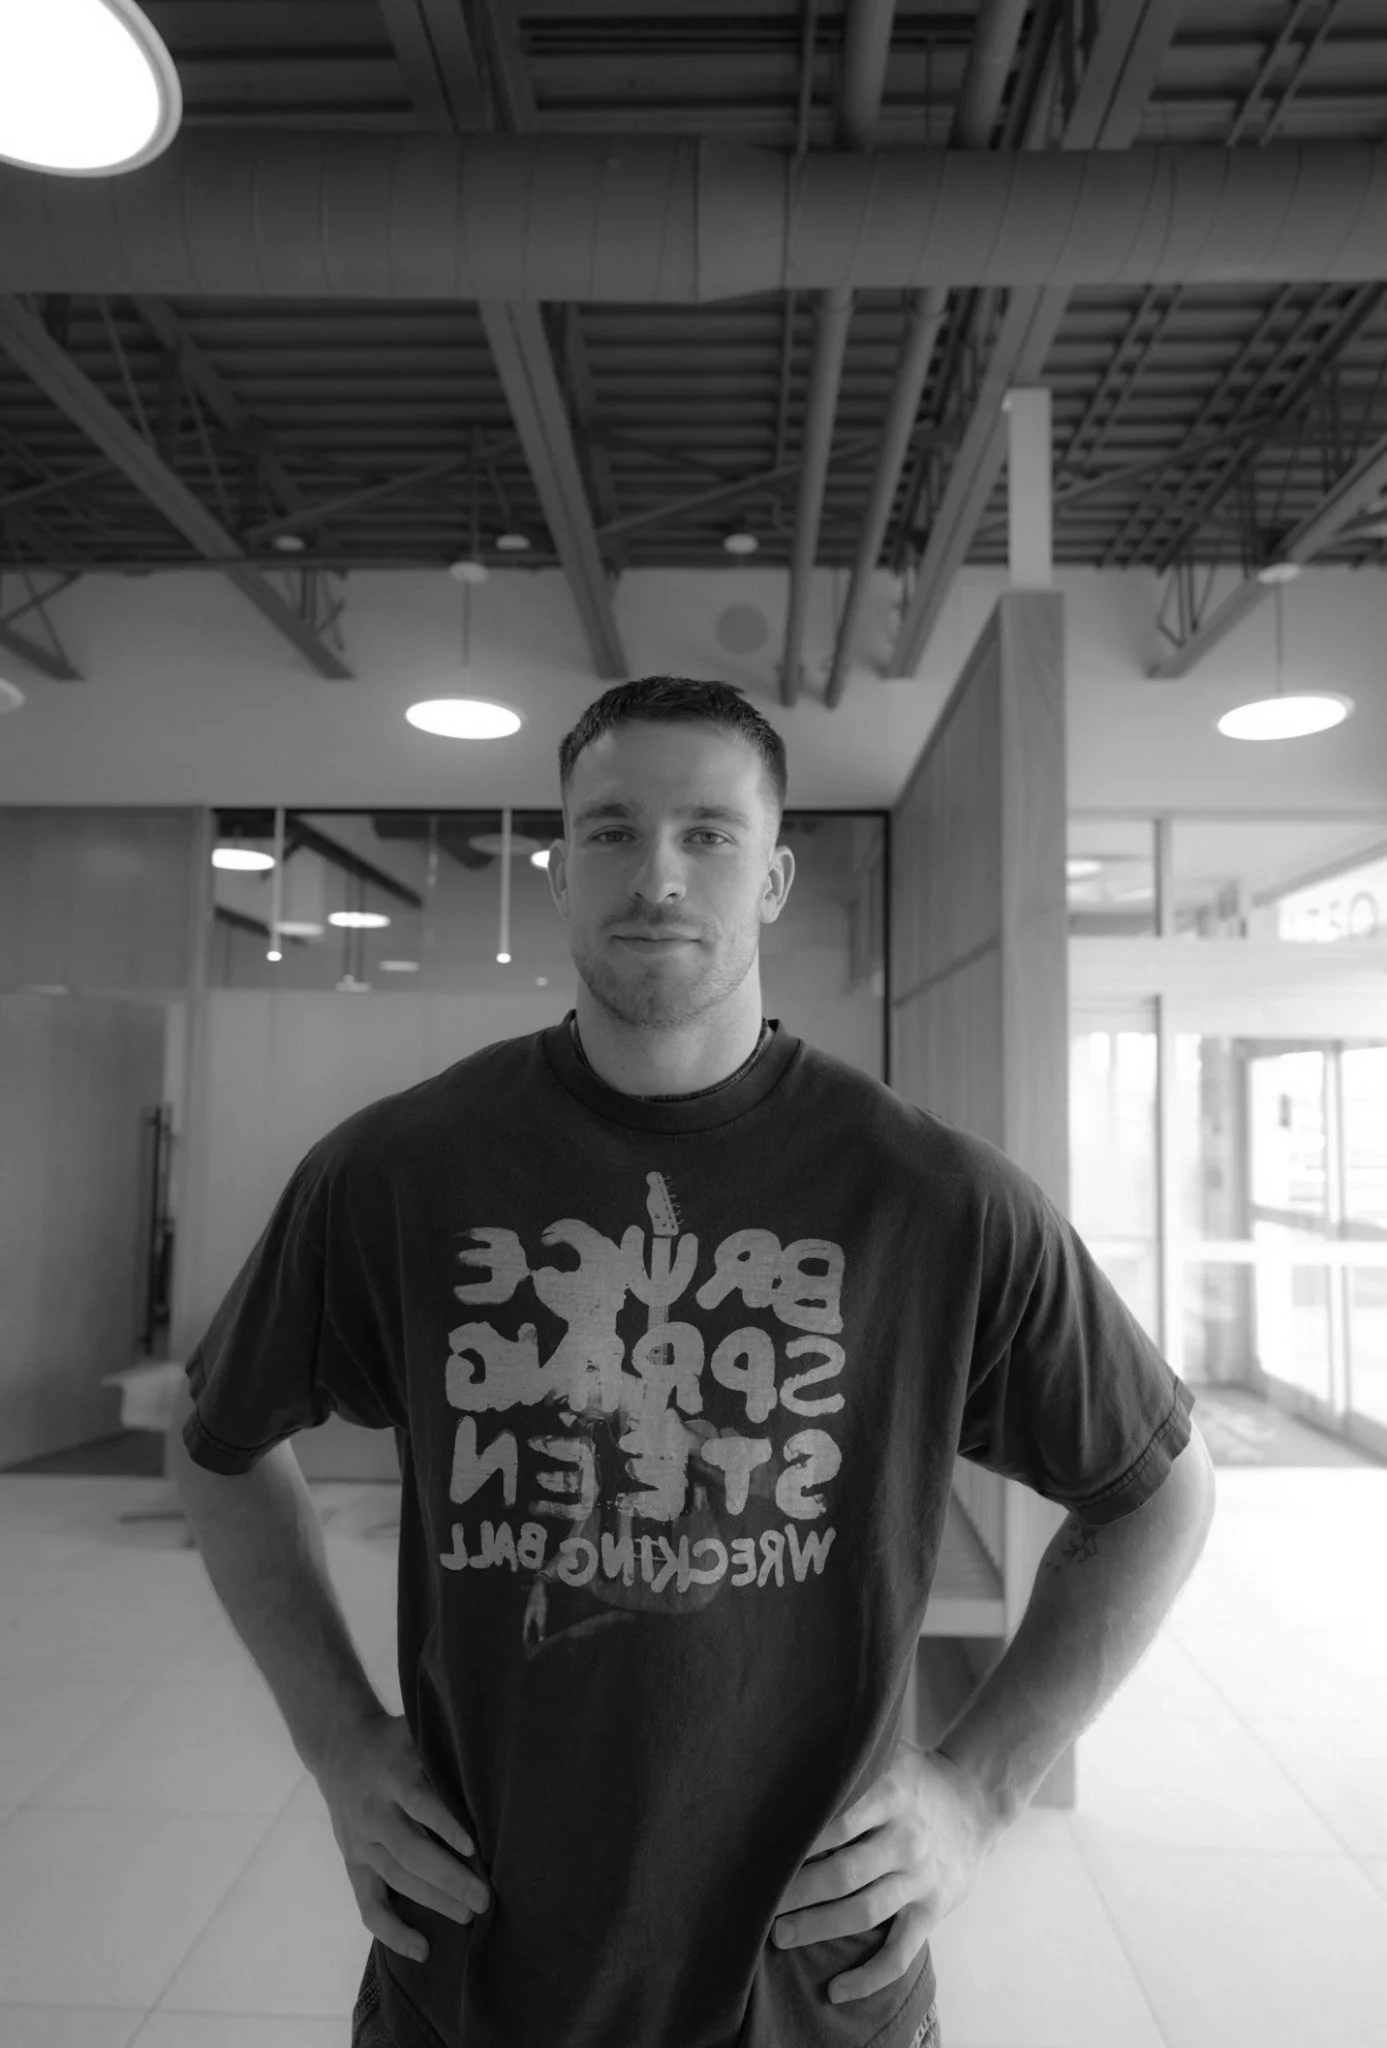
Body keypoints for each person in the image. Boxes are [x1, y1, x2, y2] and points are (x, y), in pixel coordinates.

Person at [169, 675, 1215, 2048]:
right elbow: (219, 1445)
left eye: (707, 833)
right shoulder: (401, 1172)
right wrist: (335, 1739)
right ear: (557, 869)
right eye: (609, 829)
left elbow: (1156, 1492)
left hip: (811, 1988)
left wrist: (978, 1789)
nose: (655, 873)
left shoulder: (932, 1200)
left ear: (774, 876)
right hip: (476, 1971)